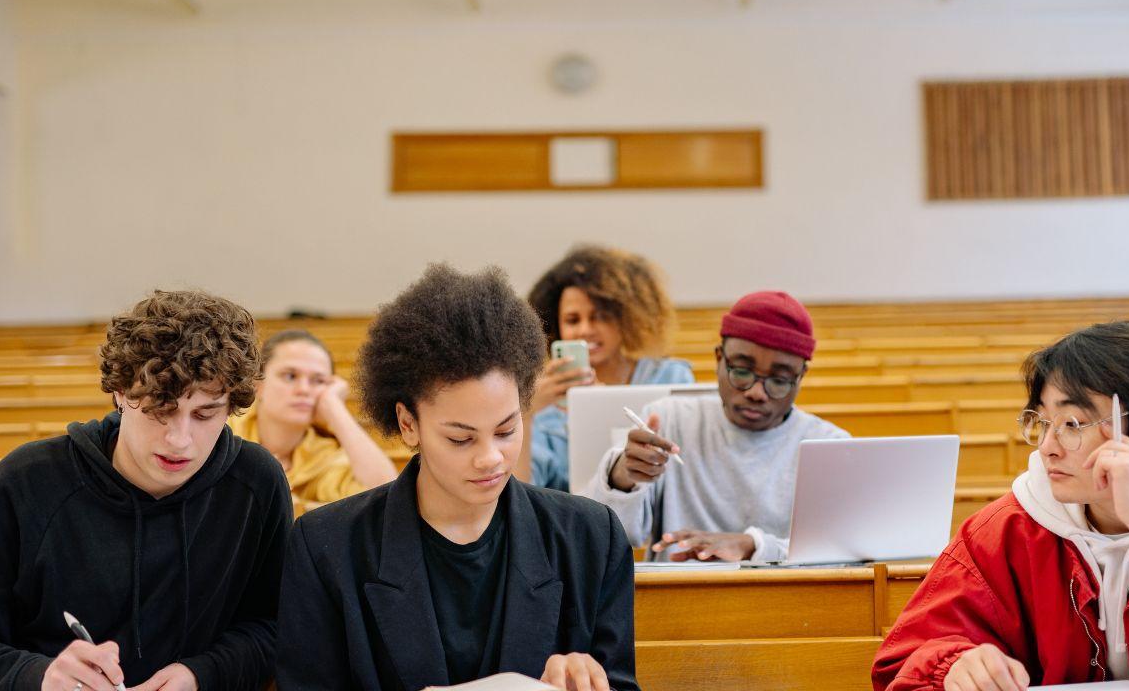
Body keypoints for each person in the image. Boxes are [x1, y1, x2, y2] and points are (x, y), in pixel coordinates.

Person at [276, 264, 638, 691]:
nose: (491, 459)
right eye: (460, 439)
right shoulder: (326, 545)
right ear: (408, 424)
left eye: (506, 430)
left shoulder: (591, 537)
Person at [873, 321, 1129, 690]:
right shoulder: (1007, 528)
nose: (1047, 446)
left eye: (1071, 423)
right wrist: (954, 666)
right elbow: (905, 658)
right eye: (1042, 422)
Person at [0, 290, 292, 691]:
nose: (180, 440)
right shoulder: (25, 482)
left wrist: (202, 673)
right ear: (120, 393)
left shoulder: (256, 483)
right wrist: (39, 676)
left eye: (205, 414)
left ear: (231, 408)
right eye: (161, 409)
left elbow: (277, 626)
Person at [584, 290, 848, 562]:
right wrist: (624, 475)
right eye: (742, 372)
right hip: (678, 597)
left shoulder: (829, 445)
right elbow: (603, 532)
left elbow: (845, 550)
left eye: (779, 380)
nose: (757, 392)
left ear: (801, 376)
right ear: (719, 359)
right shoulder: (668, 420)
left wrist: (753, 545)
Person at [525, 245, 694, 491]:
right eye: (573, 320)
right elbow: (524, 490)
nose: (585, 330)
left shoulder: (669, 377)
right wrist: (525, 412)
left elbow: (687, 468)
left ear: (626, 318)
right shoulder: (544, 402)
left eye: (600, 316)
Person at [229, 329, 398, 510]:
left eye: (318, 381)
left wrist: (335, 408)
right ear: (258, 384)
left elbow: (387, 495)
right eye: (290, 376)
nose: (304, 389)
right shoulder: (225, 432)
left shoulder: (322, 455)